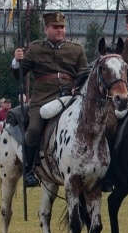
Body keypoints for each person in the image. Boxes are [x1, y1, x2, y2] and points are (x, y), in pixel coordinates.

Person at [12, 11, 88, 186]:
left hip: (70, 97)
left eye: (62, 27)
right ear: (46, 29)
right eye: (55, 27)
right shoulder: (35, 48)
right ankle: (29, 170)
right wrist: (17, 61)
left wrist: (77, 87)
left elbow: (84, 74)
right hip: (43, 99)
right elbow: (19, 74)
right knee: (33, 129)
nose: (60, 30)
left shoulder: (76, 49)